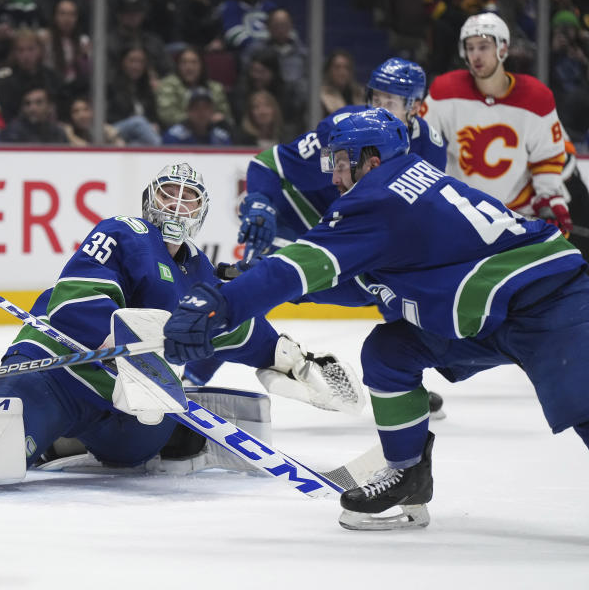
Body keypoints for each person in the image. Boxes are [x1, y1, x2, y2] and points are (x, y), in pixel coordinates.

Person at [162, 108, 589, 531]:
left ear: (373, 160)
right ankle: (408, 475)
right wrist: (256, 282)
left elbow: (298, 269)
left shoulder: (378, 199)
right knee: (392, 351)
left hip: (554, 301)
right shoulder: (406, 181)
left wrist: (220, 307)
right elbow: (360, 284)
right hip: (495, 314)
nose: (333, 176)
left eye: (342, 162)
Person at [0, 162, 360, 469]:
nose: (177, 204)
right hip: (58, 372)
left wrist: (286, 357)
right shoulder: (124, 231)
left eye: (189, 197)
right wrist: (119, 338)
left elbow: (228, 327)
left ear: (202, 212)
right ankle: (41, 429)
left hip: (121, 401)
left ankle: (67, 441)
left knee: (146, 438)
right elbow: (74, 302)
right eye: (168, 192)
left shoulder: (199, 271)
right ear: (149, 199)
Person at [237, 57, 446, 261]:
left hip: (356, 232)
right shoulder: (342, 129)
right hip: (306, 216)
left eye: (390, 103)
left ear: (415, 107)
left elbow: (420, 214)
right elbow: (267, 164)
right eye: (375, 100)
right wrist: (260, 202)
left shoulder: (430, 147)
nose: (379, 111)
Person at [420, 13, 572, 237]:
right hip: (462, 213)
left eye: (483, 47)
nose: (476, 55)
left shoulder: (536, 98)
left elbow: (547, 157)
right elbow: (423, 146)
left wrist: (550, 198)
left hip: (518, 213)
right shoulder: (445, 91)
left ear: (502, 48)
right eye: (470, 48)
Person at [155, 45, 232, 131]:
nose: (189, 67)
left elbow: (227, 118)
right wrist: (202, 119)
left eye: (194, 62)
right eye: (184, 62)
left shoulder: (215, 88)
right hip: (178, 134)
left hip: (211, 134)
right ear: (178, 66)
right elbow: (167, 116)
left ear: (202, 65)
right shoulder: (168, 84)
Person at [161, 87, 233, 146]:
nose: (201, 112)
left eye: (205, 108)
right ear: (187, 111)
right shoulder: (174, 136)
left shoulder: (222, 138)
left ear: (212, 111)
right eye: (196, 108)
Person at [0, 87, 68, 143]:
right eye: (27, 103)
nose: (32, 108)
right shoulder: (13, 132)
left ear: (50, 107)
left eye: (39, 103)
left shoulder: (58, 132)